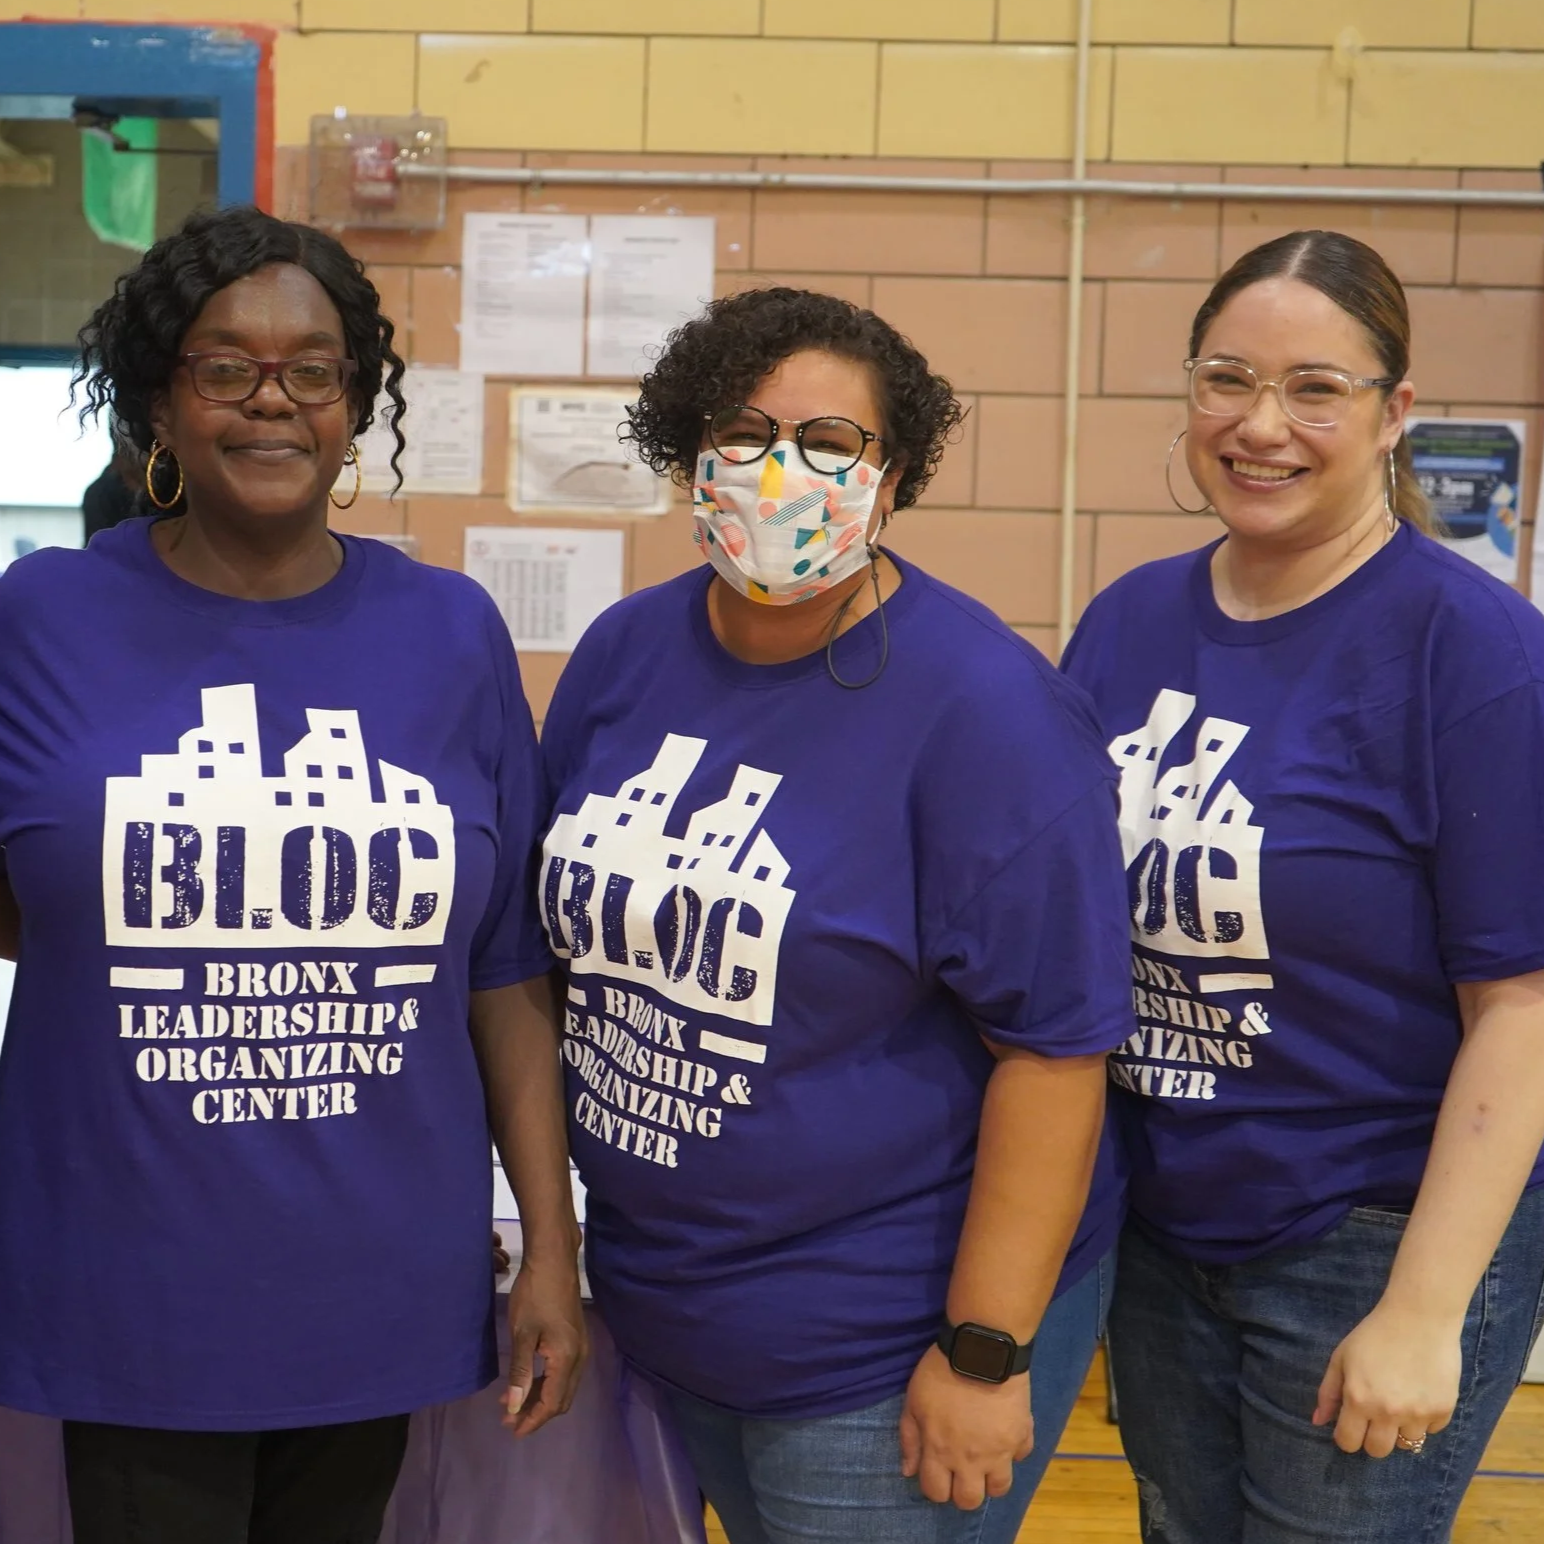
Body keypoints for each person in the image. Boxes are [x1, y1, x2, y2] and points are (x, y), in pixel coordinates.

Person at [0, 205, 585, 1544]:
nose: (273, 403)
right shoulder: (42, 620)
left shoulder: (449, 631)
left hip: (374, 1272)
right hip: (129, 1274)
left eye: (313, 370)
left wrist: (548, 1250)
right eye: (225, 367)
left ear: (356, 402)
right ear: (162, 397)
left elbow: (500, 970)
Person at [538, 286, 1134, 1544]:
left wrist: (981, 1351)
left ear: (892, 473)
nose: (776, 473)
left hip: (879, 1339)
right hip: (664, 1306)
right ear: (688, 455)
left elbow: (1056, 1049)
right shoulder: (622, 653)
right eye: (743, 435)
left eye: (827, 445)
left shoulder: (986, 711)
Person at [1061, 229, 1544, 1542]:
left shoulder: (1478, 652)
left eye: (1315, 389)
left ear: (1393, 415)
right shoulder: (1128, 621)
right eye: (1228, 378)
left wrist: (1426, 1308)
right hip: (1167, 1221)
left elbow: (1524, 1007)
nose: (1260, 424)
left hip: (1369, 1237)